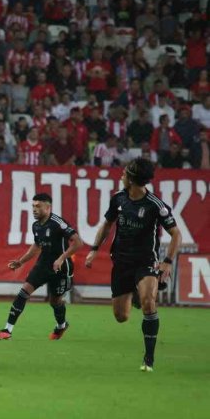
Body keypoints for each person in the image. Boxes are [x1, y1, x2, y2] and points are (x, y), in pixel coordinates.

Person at [85, 158, 181, 372]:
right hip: (121, 262)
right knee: (121, 316)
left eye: (125, 173)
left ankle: (149, 359)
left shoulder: (155, 205)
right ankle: (136, 294)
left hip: (145, 261)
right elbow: (107, 224)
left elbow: (176, 233)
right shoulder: (118, 199)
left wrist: (167, 262)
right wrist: (94, 248)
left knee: (149, 303)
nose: (121, 175)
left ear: (132, 180)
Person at [0, 193, 82, 340]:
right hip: (43, 265)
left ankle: (61, 325)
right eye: (33, 206)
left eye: (38, 206)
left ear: (48, 207)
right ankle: (7, 330)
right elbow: (37, 245)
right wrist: (21, 261)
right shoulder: (36, 225)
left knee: (55, 301)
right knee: (23, 292)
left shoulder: (57, 223)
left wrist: (61, 259)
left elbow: (78, 242)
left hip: (61, 268)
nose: (34, 209)